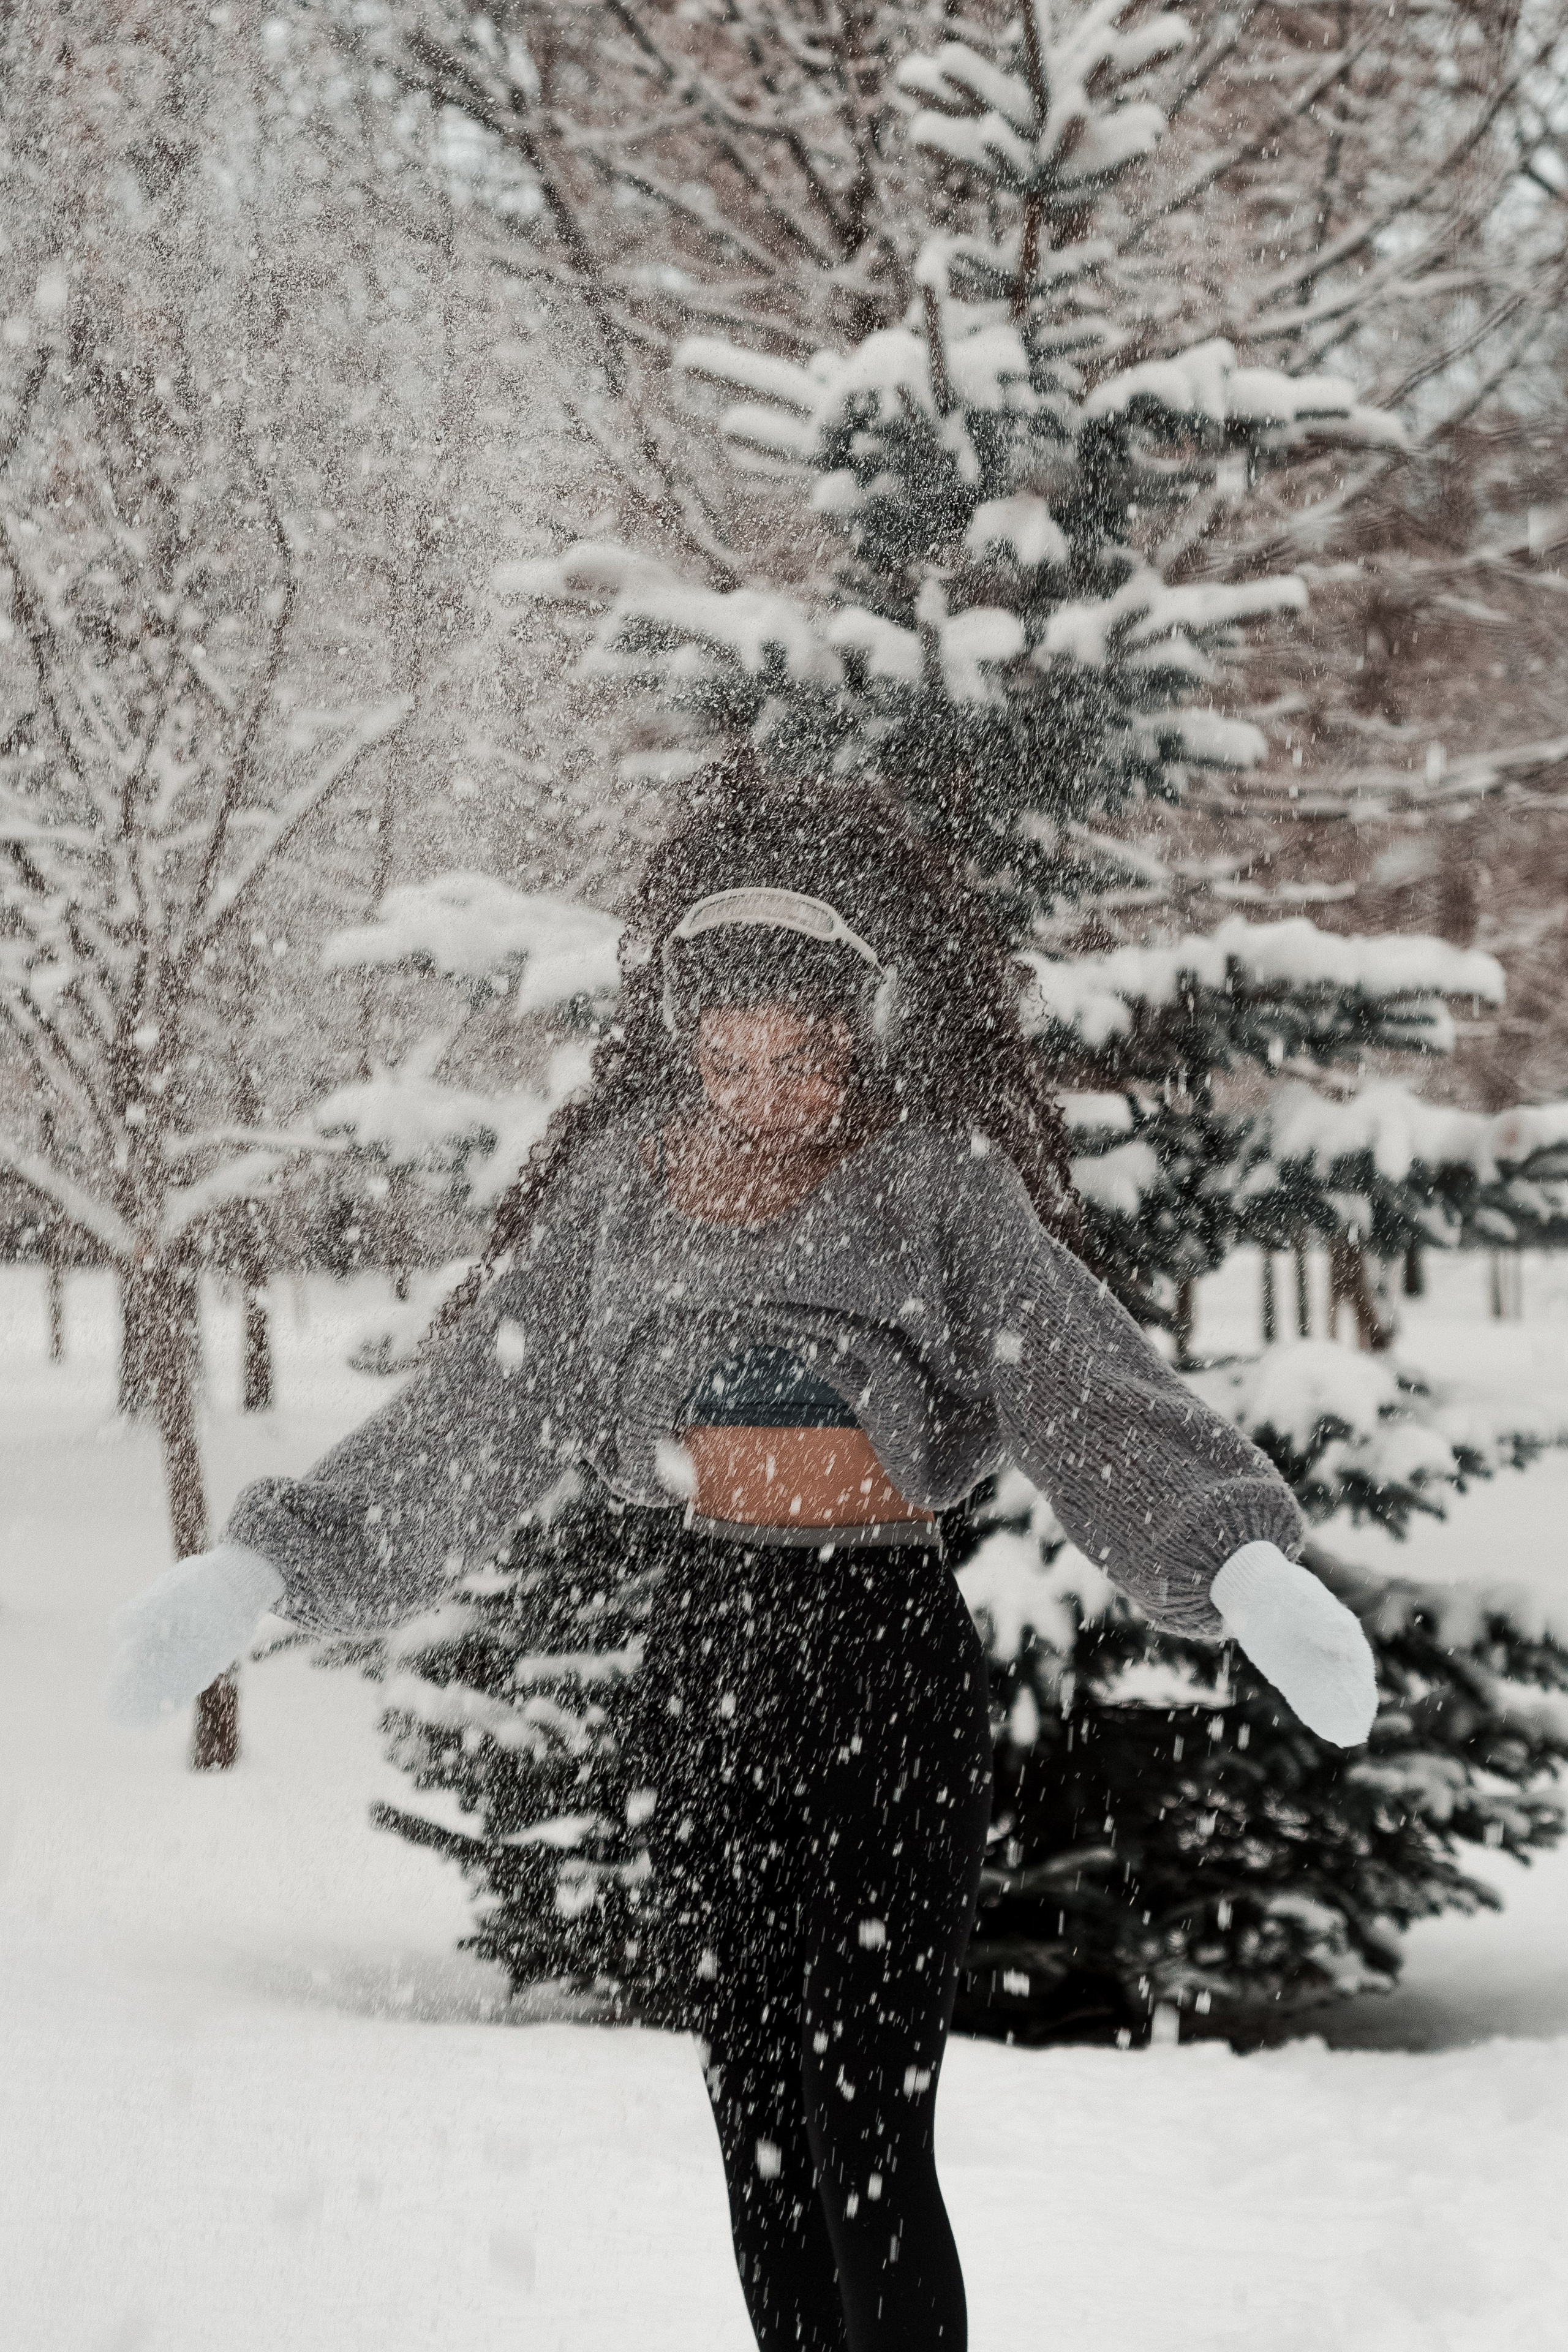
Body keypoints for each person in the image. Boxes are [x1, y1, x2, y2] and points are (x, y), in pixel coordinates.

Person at [108, 773, 1378, 2352]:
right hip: (715, 1664)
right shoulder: (624, 1199)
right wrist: (270, 1570)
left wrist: (1233, 1560)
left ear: (854, 1034)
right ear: (682, 1046)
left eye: (793, 1057)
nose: (759, 1091)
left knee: (869, 2122)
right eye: (725, 1060)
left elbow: (1077, 1381)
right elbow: (475, 1417)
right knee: (759, 2113)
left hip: (881, 1663)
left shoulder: (933, 1185)